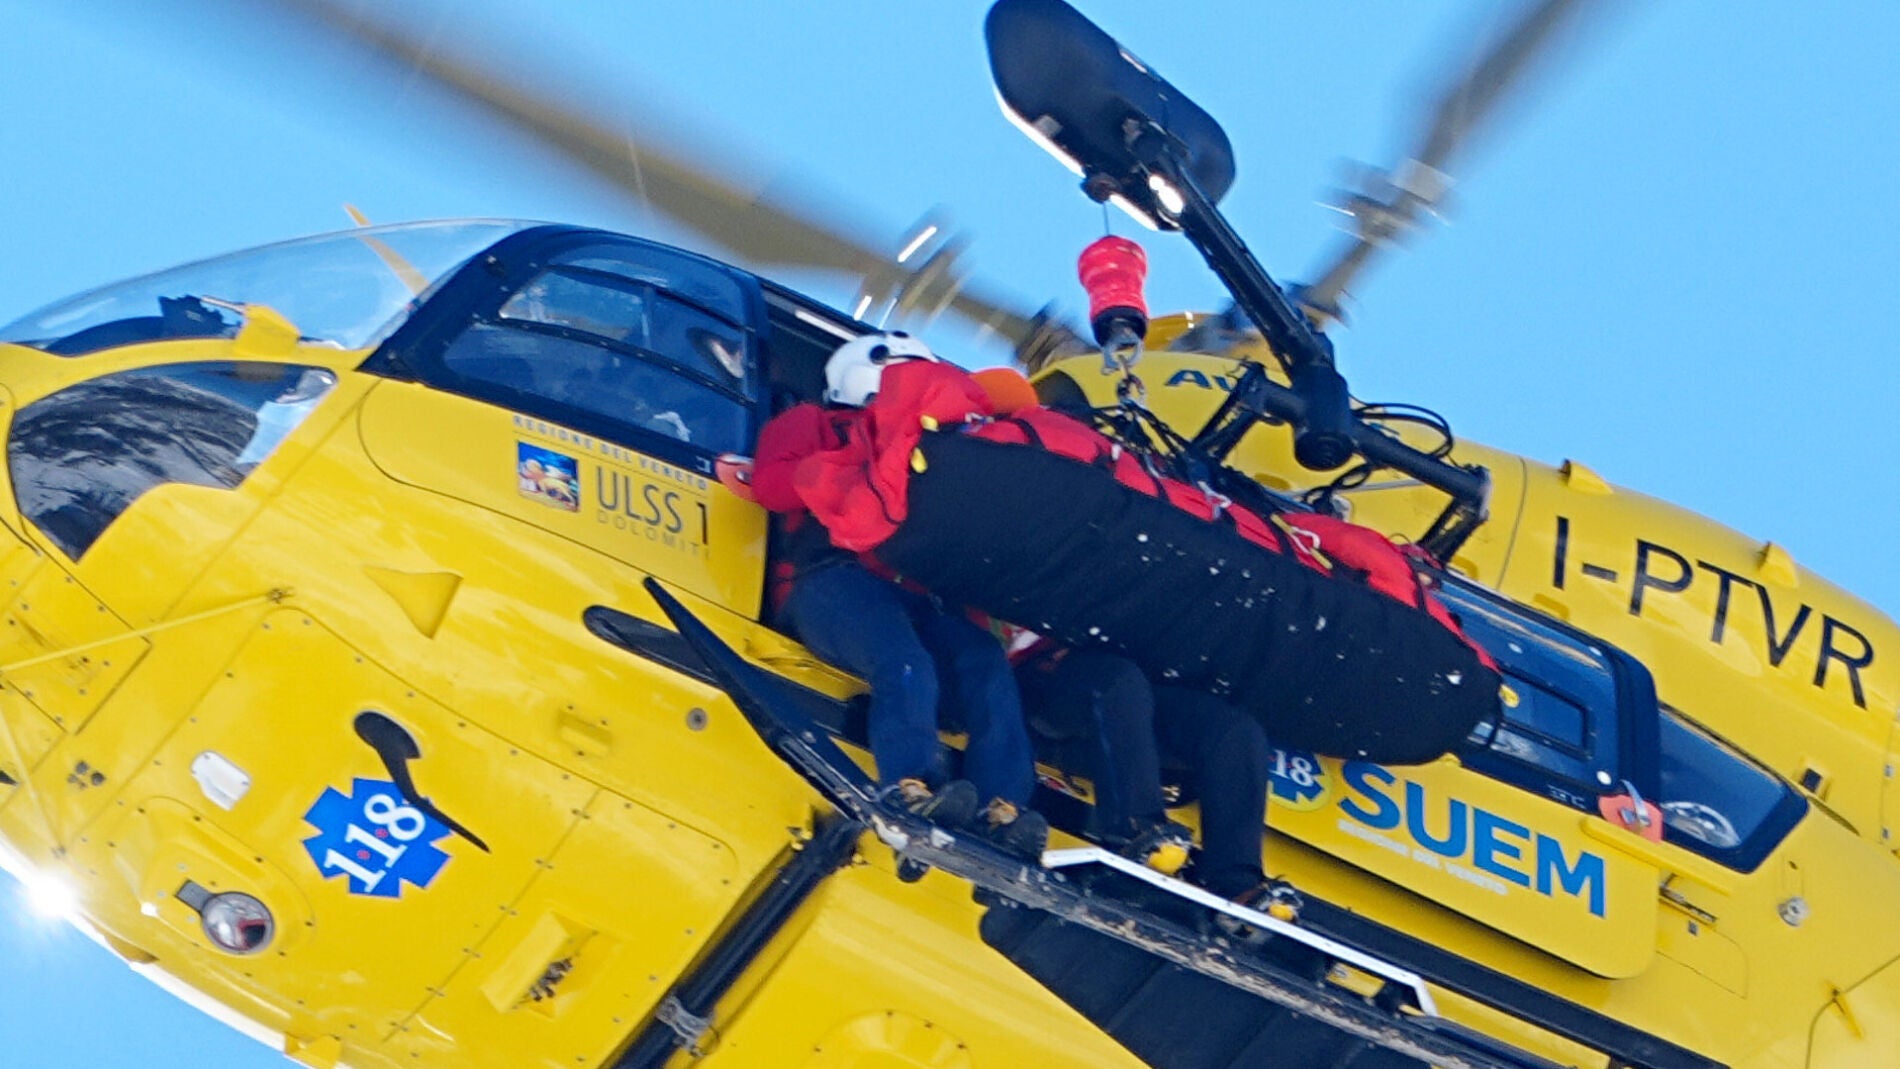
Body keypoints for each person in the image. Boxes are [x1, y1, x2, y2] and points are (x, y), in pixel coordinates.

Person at [751, 331, 1048, 859]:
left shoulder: (939, 451)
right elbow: (771, 486)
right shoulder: (813, 424)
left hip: (913, 596)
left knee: (983, 661)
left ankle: (1001, 807)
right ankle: (909, 786)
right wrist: (859, 456)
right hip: (830, 581)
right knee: (903, 659)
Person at [1014, 643, 1288, 930]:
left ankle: (1236, 886)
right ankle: (1136, 835)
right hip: (1031, 679)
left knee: (1234, 730)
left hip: (1128, 675)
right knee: (1116, 679)